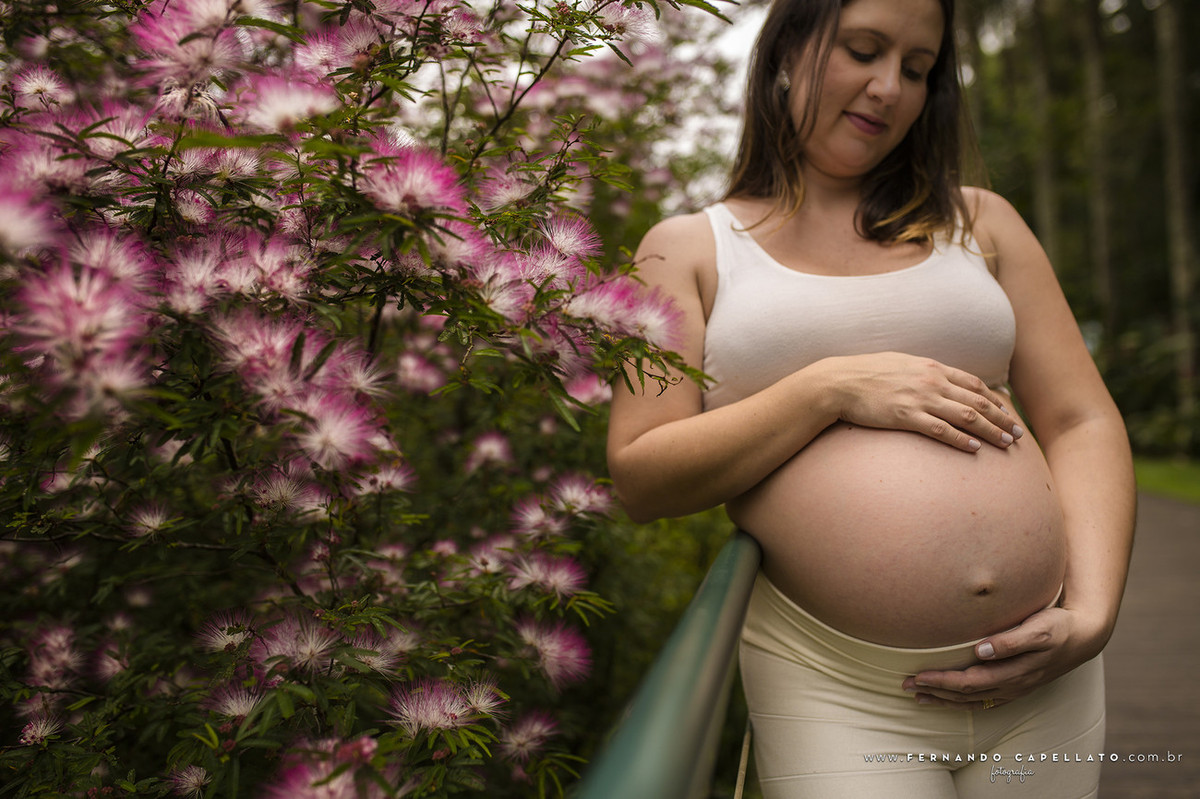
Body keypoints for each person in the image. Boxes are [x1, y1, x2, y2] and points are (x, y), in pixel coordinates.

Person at [605, 0, 1136, 796]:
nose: (889, 87)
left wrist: (1092, 613)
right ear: (787, 49)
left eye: (917, 69)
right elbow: (641, 474)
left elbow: (1079, 418)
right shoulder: (686, 247)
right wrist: (831, 387)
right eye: (863, 50)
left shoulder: (981, 223)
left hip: (1043, 677)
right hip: (837, 688)